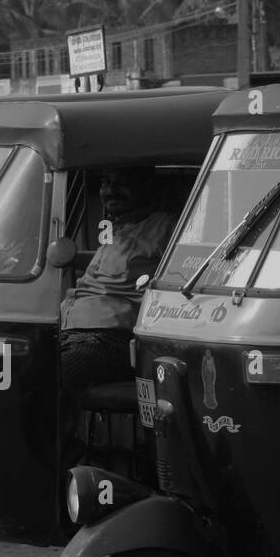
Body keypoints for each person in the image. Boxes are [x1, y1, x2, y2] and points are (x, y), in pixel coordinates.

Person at [59, 166, 175, 393]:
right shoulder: (116, 230)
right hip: (68, 333)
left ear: (148, 185)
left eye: (122, 183)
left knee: (57, 375)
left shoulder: (166, 227)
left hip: (113, 340)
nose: (110, 191)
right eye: (106, 182)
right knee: (8, 367)